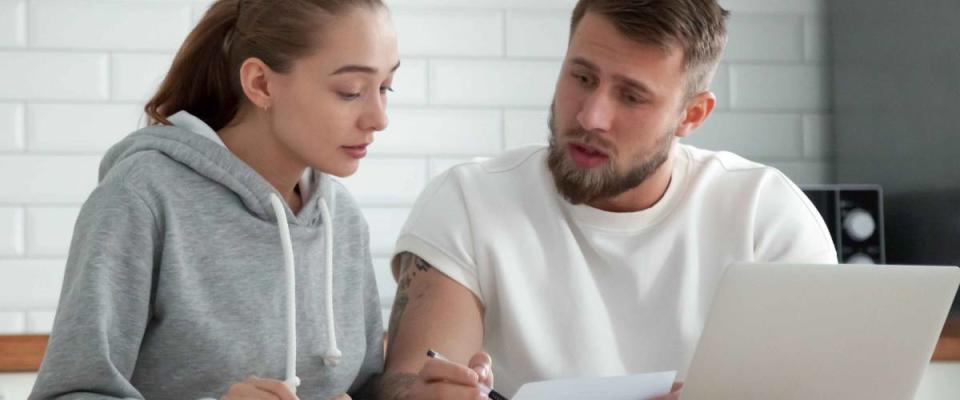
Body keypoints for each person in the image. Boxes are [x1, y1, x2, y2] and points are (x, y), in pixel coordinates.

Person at [379, 0, 838, 399]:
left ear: (691, 114)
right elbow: (409, 378)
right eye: (582, 76)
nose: (590, 115)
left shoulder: (766, 215)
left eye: (632, 97)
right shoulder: (469, 202)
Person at [29, 0, 401, 398]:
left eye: (385, 88)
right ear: (260, 83)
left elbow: (359, 388)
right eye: (351, 91)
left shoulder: (341, 218)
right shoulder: (143, 196)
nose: (379, 118)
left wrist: (411, 393)